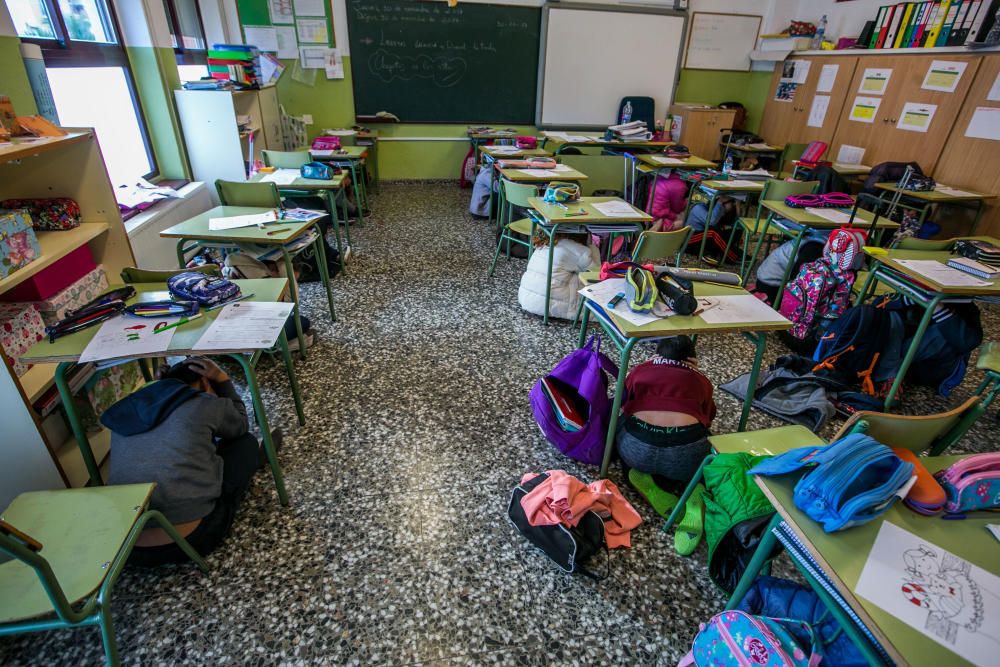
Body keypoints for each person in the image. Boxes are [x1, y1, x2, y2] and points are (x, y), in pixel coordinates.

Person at [102, 357, 271, 566]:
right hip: (192, 541)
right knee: (245, 444)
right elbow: (240, 424)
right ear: (204, 383)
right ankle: (257, 457)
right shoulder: (203, 403)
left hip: (126, 549)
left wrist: (160, 386)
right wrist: (223, 380)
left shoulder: (125, 409)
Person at [615, 336, 716, 518]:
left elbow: (622, 403)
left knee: (622, 420)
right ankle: (695, 487)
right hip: (686, 456)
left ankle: (638, 477)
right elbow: (708, 418)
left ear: (656, 355)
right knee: (708, 445)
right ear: (693, 360)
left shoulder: (640, 371)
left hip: (636, 450)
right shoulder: (702, 381)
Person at [518, 232, 599, 320]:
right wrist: (593, 249)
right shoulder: (579, 250)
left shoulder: (546, 242)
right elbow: (596, 274)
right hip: (547, 306)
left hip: (526, 300)